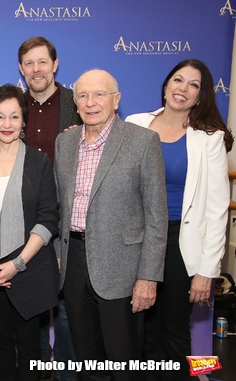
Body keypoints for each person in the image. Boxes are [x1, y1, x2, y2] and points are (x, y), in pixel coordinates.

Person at [54, 69, 167, 381]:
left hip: (123, 267)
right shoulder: (64, 142)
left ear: (116, 100)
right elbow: (59, 208)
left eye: (99, 94)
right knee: (87, 359)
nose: (91, 102)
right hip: (74, 263)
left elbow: (156, 216)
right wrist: (58, 255)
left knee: (123, 363)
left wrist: (148, 278)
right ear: (75, 102)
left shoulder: (143, 141)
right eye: (83, 95)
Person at [126, 59, 233, 381]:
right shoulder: (134, 123)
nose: (183, 88)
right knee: (137, 331)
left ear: (201, 97)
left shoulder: (209, 138)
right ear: (166, 84)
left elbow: (217, 209)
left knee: (172, 331)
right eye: (178, 80)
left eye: (193, 85)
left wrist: (206, 271)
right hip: (135, 240)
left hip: (179, 244)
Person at [0, 84, 60, 381]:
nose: (7, 124)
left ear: (24, 120)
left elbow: (48, 218)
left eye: (14, 117)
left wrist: (17, 264)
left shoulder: (39, 162)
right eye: (0, 116)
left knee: (29, 348)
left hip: (27, 272)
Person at [18, 36, 80, 381]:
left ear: (55, 65)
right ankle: (41, 368)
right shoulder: (14, 105)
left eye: (42, 62)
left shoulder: (78, 103)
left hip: (72, 220)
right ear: (21, 69)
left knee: (68, 308)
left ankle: (68, 372)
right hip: (27, 222)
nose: (36, 69)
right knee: (34, 304)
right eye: (29, 63)